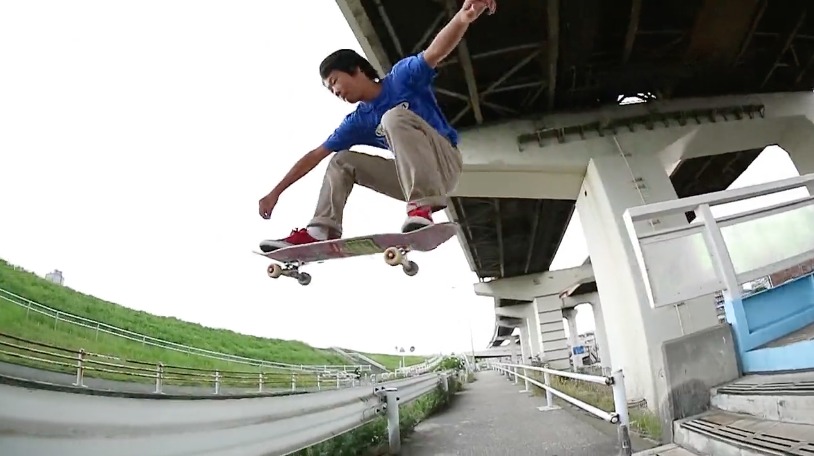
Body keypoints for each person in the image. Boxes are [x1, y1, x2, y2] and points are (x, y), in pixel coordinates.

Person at [258, 0, 497, 252]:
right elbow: (315, 155)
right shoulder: (357, 121)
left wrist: (463, 17)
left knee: (393, 117)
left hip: (444, 162)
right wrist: (276, 192)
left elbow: (435, 52)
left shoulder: (402, 78)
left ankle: (421, 207)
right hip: (408, 178)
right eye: (330, 89)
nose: (335, 91)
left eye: (335, 81)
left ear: (356, 70)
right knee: (342, 160)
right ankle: (320, 230)